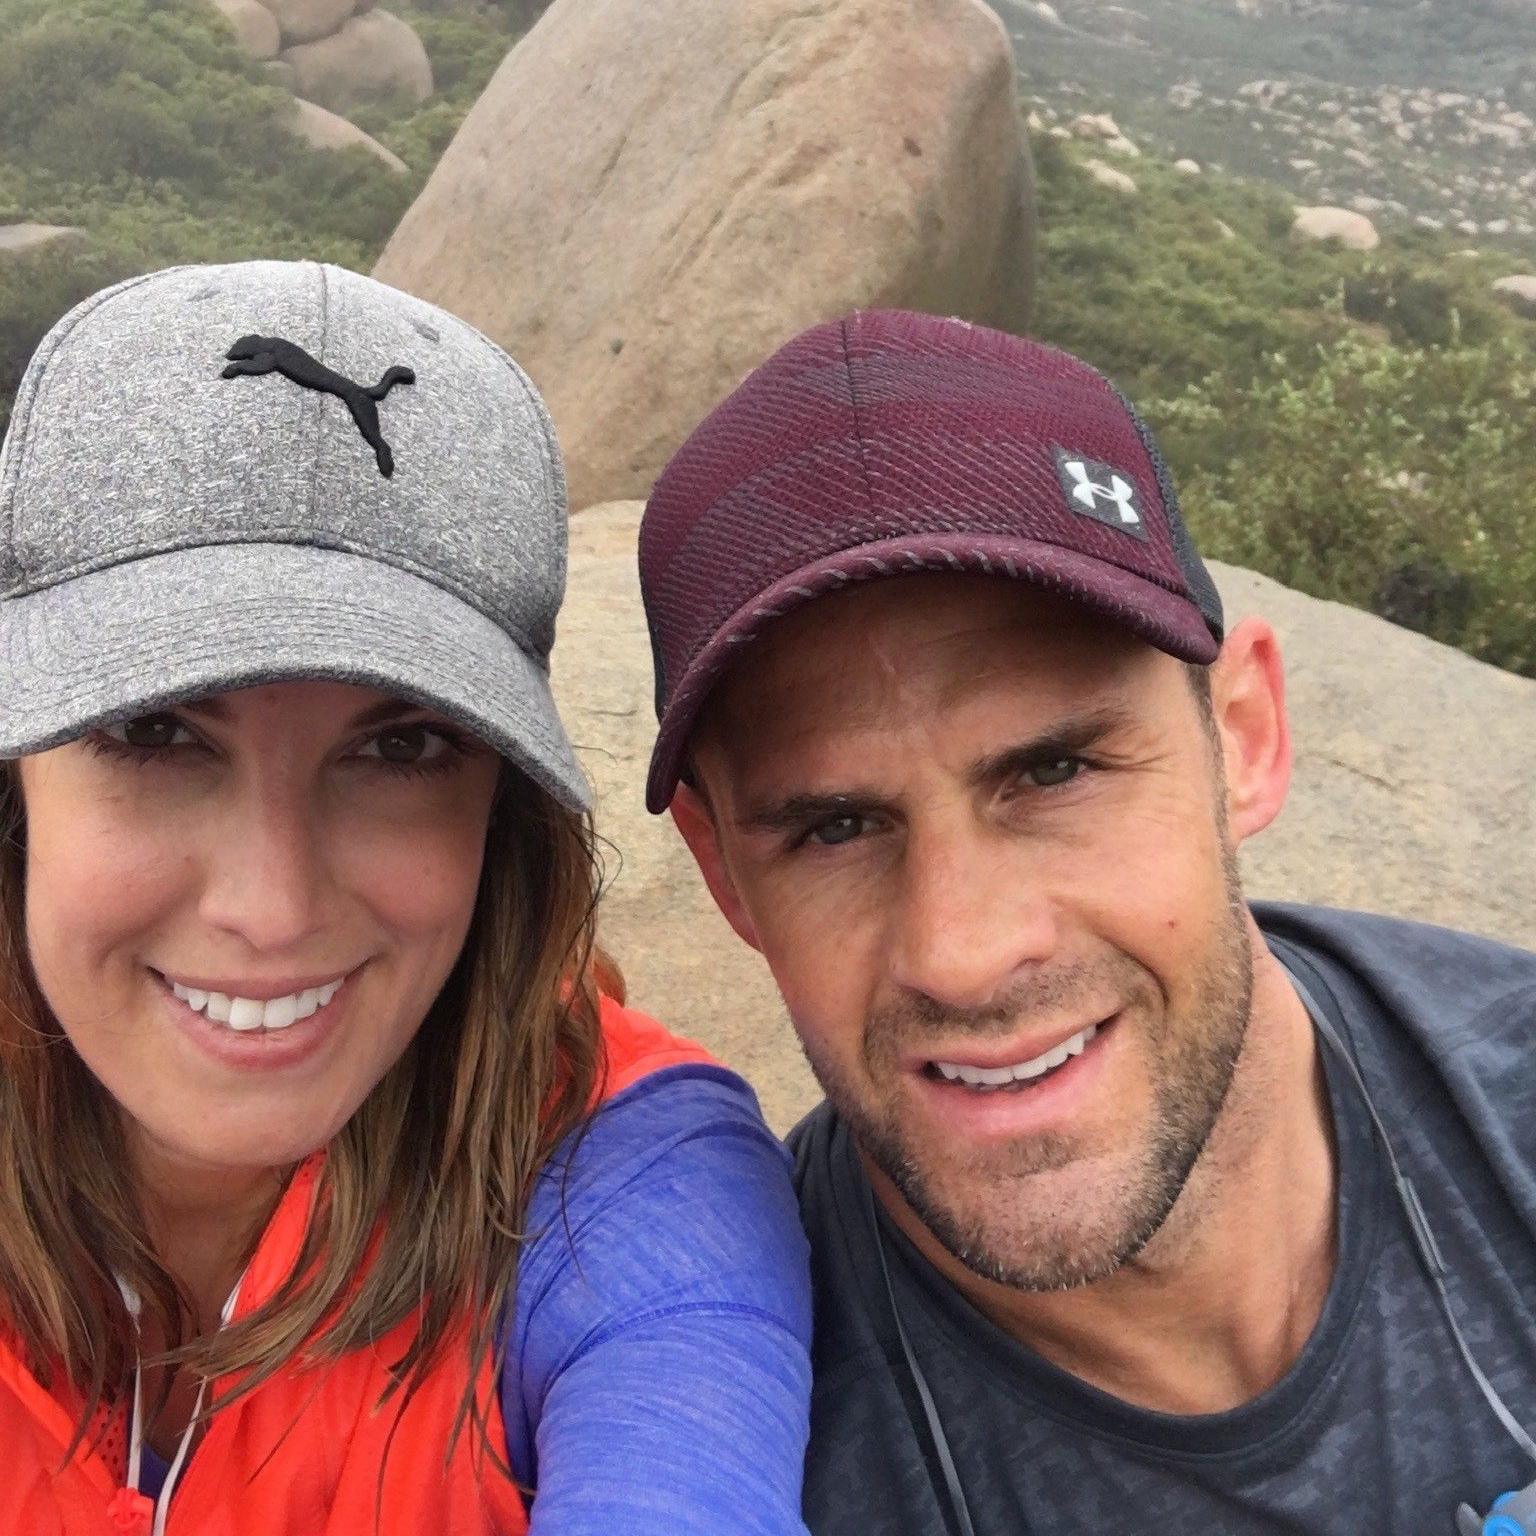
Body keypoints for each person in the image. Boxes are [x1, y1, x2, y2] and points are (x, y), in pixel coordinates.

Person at [636, 309, 1536, 1536]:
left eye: (1054, 772)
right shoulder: (742, 1455)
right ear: (726, 873)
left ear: (1245, 739)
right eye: (835, 829)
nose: (962, 949)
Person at [0, 260, 812, 1536]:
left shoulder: (621, 1188)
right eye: (153, 730)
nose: (269, 908)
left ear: (503, 809)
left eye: (401, 748)